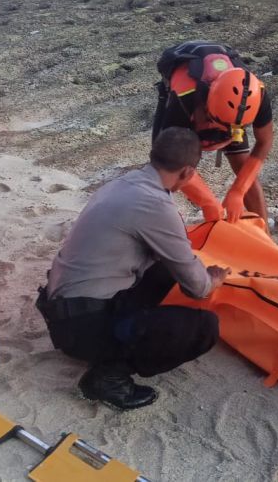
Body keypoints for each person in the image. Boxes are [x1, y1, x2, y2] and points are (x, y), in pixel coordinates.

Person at [36, 128, 230, 410]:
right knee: (203, 328)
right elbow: (197, 287)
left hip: (61, 310)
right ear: (188, 173)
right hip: (80, 328)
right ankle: (108, 377)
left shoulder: (124, 184)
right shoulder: (156, 206)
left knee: (165, 269)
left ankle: (111, 341)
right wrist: (214, 278)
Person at [152, 40, 273, 225]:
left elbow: (264, 142)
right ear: (207, 106)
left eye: (232, 129)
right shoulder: (184, 98)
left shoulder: (257, 95)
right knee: (163, 167)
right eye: (217, 123)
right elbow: (169, 162)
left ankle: (266, 238)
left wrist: (238, 191)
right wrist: (208, 202)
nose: (222, 133)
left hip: (227, 112)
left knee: (243, 167)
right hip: (190, 96)